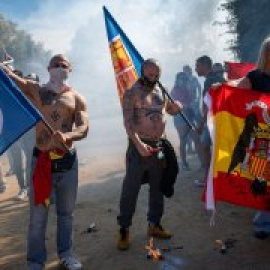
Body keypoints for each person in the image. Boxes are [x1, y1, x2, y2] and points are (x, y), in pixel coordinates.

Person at [1, 54, 89, 270]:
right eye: (56, 65)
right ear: (48, 69)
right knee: (38, 217)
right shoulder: (36, 90)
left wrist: (69, 136)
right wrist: (3, 67)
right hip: (41, 162)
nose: (60, 68)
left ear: (70, 70)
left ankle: (66, 254)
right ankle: (35, 262)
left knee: (66, 214)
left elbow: (84, 127)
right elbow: (10, 77)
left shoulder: (77, 98)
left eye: (64, 65)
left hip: (68, 163)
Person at [117, 58, 182, 250]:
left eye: (156, 75)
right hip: (139, 148)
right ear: (142, 72)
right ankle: (124, 229)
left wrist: (177, 108)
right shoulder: (131, 93)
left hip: (158, 147)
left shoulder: (160, 90)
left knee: (158, 187)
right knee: (131, 189)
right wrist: (138, 144)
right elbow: (128, 123)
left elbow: (170, 111)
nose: (153, 78)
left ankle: (154, 224)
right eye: (150, 74)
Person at [226, 37, 270, 239]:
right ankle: (262, 222)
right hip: (262, 138)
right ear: (265, 54)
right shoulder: (254, 77)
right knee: (262, 179)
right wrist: (224, 86)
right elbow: (236, 88)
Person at [195, 55, 226, 187]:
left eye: (197, 66)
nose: (196, 69)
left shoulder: (210, 81)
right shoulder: (219, 78)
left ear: (204, 65)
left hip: (212, 120)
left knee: (205, 147)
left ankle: (209, 180)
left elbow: (209, 104)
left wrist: (201, 124)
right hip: (222, 119)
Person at [171, 72, 204, 170]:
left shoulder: (186, 90)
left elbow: (190, 102)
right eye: (182, 79)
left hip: (188, 117)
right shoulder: (174, 91)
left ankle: (203, 162)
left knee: (196, 139)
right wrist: (185, 105)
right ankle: (184, 163)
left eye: (185, 79)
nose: (184, 81)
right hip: (179, 118)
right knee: (183, 140)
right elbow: (173, 105)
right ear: (178, 80)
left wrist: (191, 105)